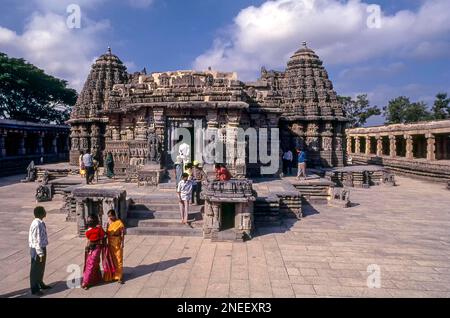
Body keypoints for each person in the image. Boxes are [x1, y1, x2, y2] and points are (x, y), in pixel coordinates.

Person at [82, 215, 114, 289]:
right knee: (94, 263)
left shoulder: (90, 231)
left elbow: (90, 239)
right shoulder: (97, 229)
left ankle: (86, 282)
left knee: (91, 264)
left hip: (95, 248)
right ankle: (94, 279)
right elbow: (103, 236)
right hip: (93, 248)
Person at [29, 206, 51, 296]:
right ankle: (34, 288)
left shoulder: (41, 222)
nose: (46, 212)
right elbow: (35, 240)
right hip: (37, 249)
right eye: (44, 211)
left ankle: (40, 283)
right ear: (41, 213)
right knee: (35, 268)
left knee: (41, 267)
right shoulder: (36, 224)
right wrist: (40, 252)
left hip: (42, 247)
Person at [103, 210, 125, 284]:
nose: (109, 218)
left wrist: (122, 243)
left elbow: (122, 234)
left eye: (111, 216)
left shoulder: (119, 223)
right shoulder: (108, 222)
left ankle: (119, 276)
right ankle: (112, 275)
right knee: (111, 259)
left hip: (117, 242)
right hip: (110, 242)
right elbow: (106, 232)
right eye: (108, 216)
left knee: (118, 259)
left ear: (114, 215)